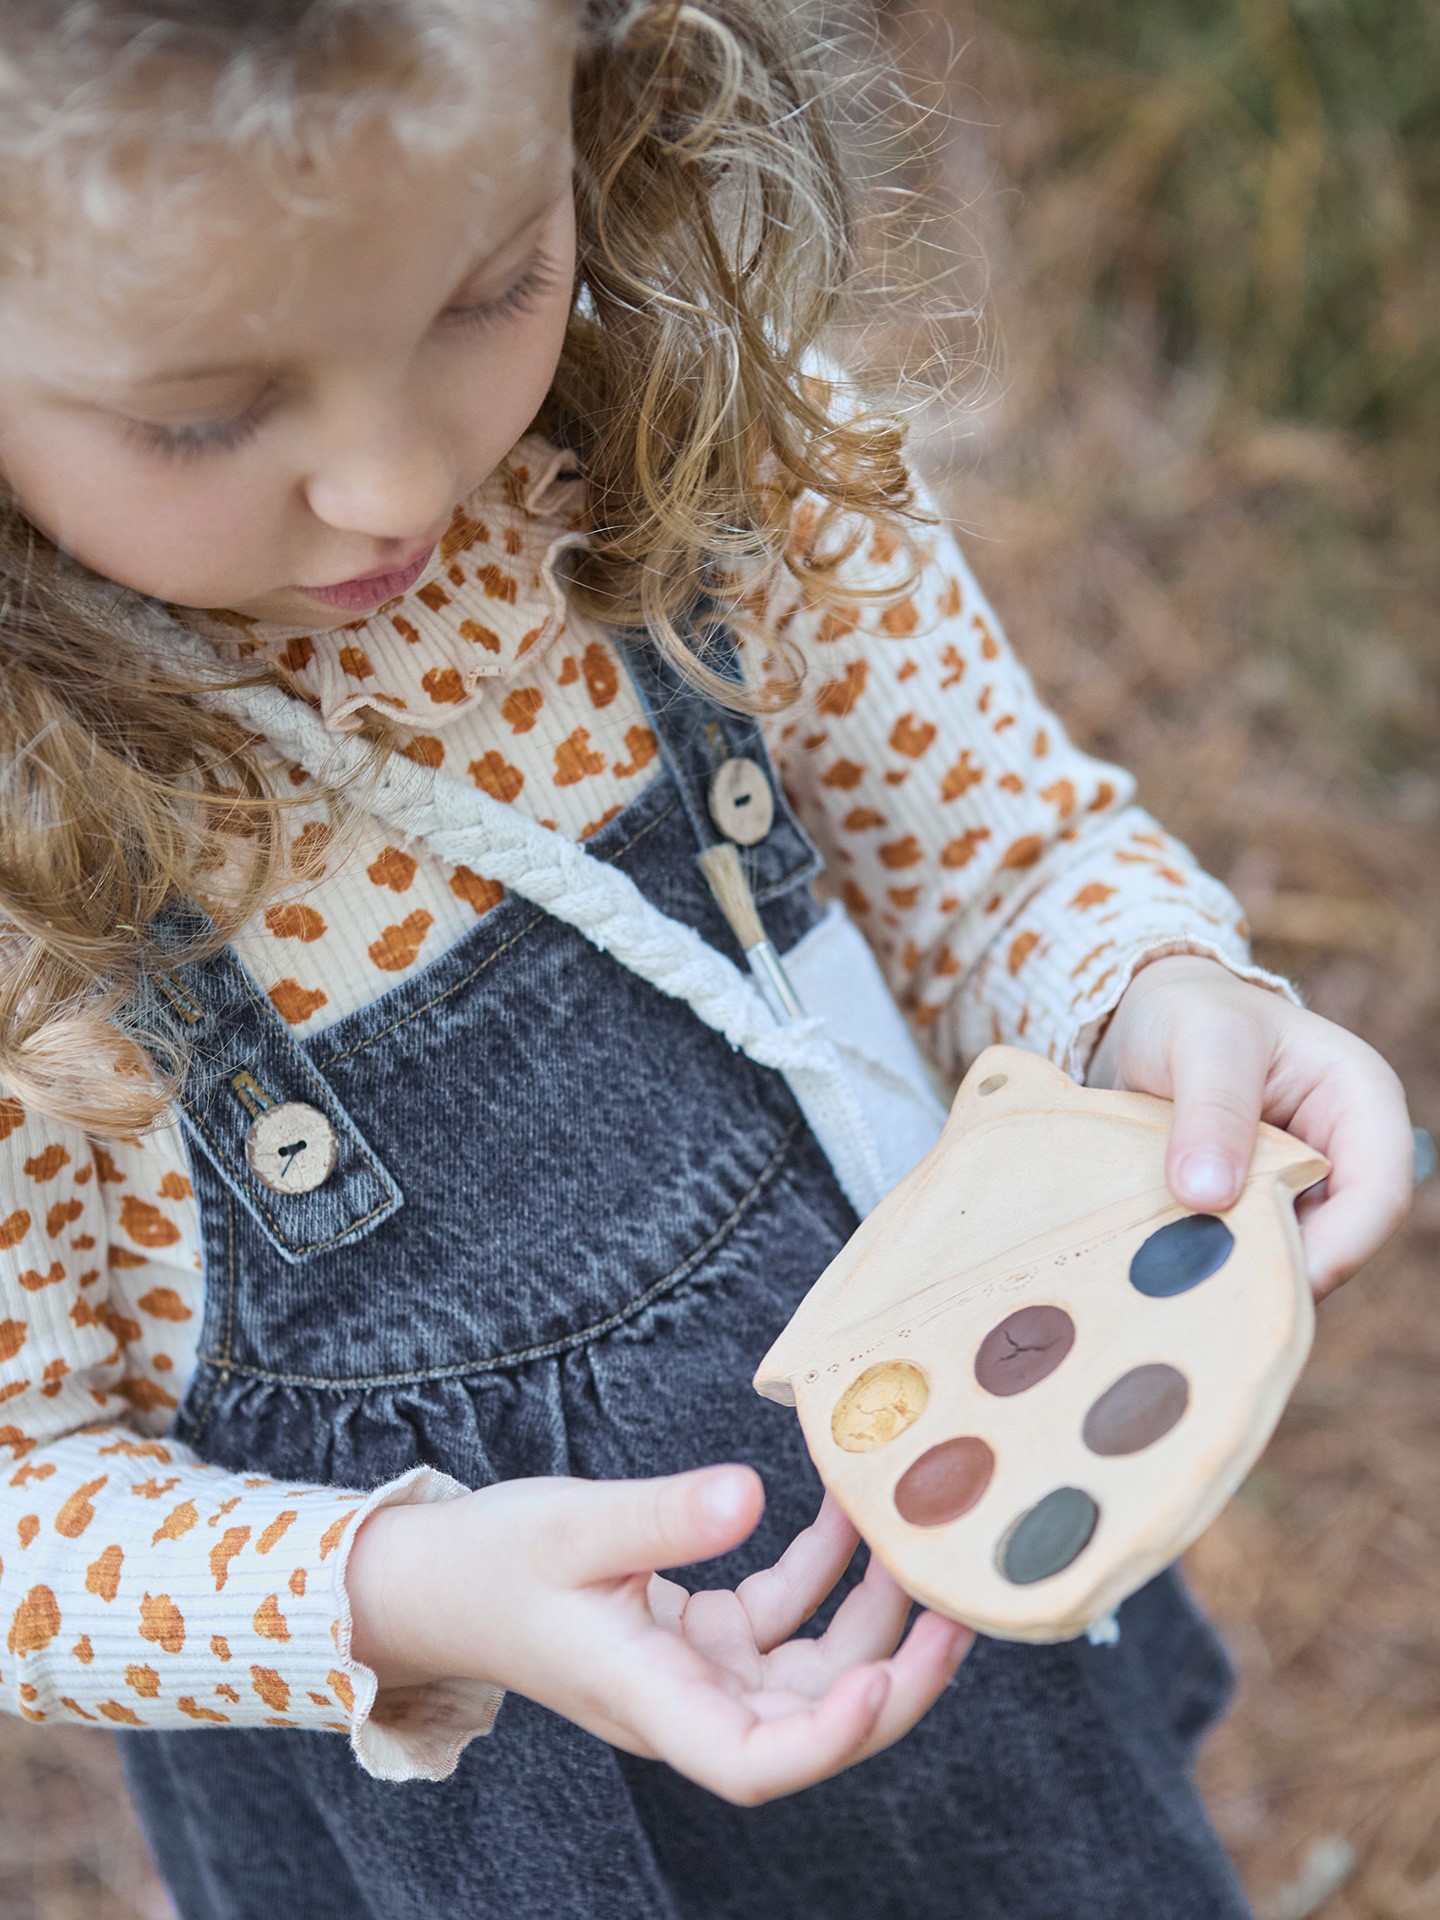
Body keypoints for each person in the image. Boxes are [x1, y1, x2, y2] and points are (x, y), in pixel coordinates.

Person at [0, 3, 1413, 1915]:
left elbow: (1003, 862)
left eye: (485, 287)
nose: (396, 485)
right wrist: (404, 1593)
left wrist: (1157, 994)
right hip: (476, 1832)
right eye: (206, 414)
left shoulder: (692, 460)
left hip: (945, 1621)